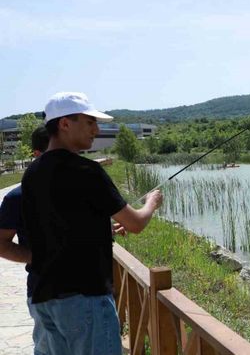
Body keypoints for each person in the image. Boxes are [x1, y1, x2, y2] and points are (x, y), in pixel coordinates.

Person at [21, 92, 163, 355]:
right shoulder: (87, 171)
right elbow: (136, 223)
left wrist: (103, 227)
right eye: (89, 123)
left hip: (44, 298)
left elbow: (61, 224)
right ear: (64, 123)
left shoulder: (32, 174)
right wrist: (151, 202)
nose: (96, 131)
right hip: (85, 298)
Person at [0, 126, 50, 355]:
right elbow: (2, 243)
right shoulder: (16, 197)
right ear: (37, 155)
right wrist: (37, 257)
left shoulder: (79, 191)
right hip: (43, 291)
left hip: (90, 292)